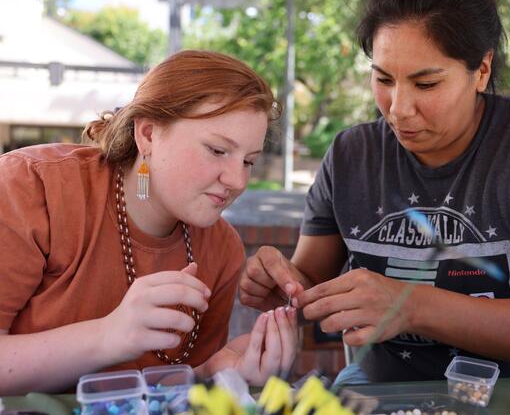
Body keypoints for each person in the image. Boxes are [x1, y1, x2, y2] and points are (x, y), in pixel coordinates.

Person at [240, 0, 510, 382]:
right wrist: (284, 282)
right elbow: (310, 279)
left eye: (426, 83)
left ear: (481, 69)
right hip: (385, 396)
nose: (399, 109)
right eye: (383, 79)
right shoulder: (351, 154)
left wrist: (412, 306)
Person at [0, 50, 297, 395]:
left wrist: (214, 372)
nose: (237, 180)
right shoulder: (30, 188)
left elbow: (167, 392)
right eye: (218, 150)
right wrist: (109, 335)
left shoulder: (221, 248)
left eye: (248, 161)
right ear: (148, 134)